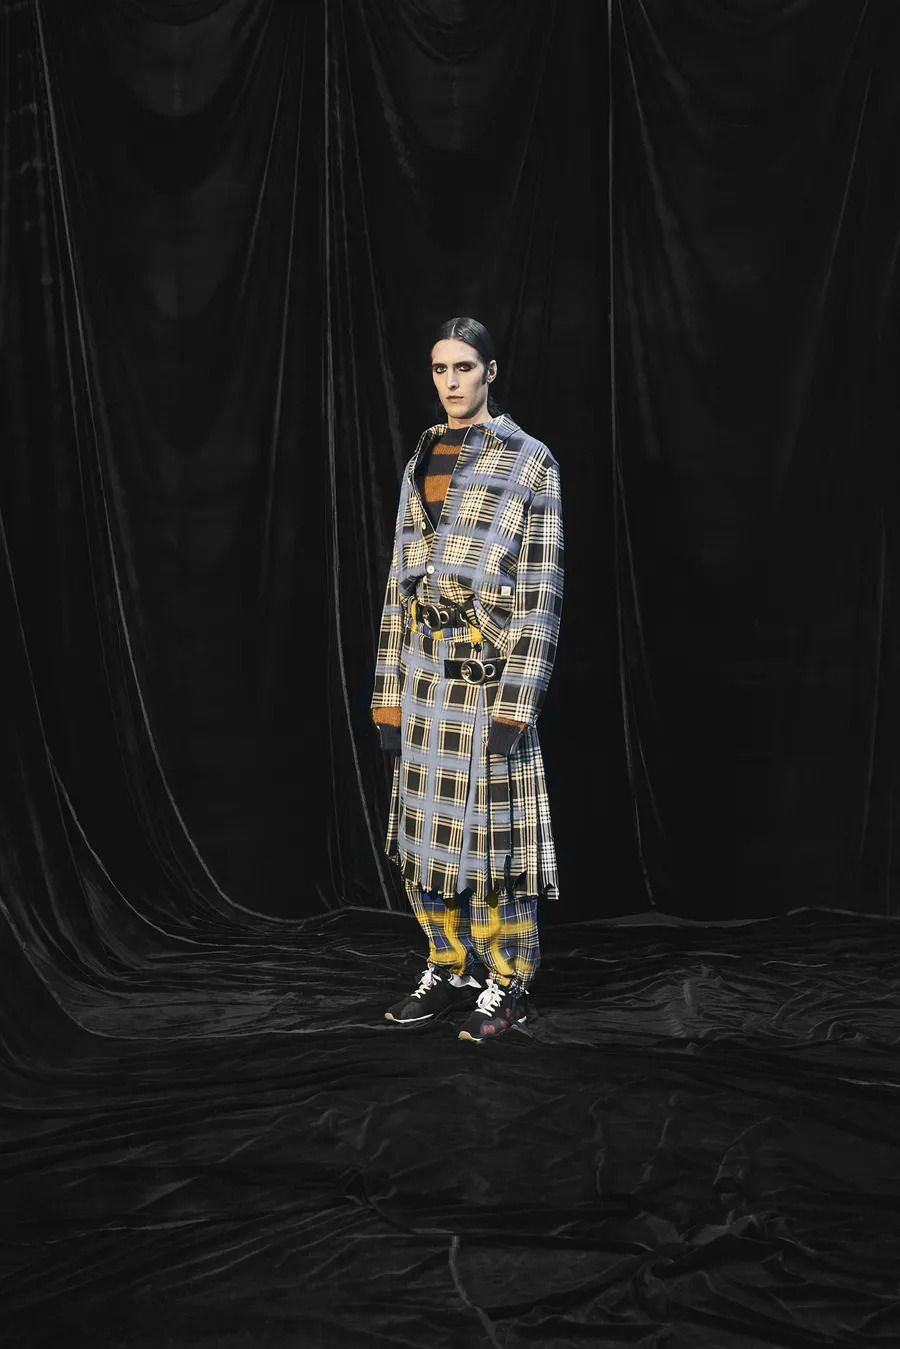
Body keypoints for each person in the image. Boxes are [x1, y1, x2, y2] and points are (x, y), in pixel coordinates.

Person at [371, 316, 563, 1042]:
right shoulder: (421, 455)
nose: (450, 382)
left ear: (490, 371)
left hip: (488, 683)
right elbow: (397, 585)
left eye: (463, 367)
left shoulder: (529, 461)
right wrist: (387, 697)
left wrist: (518, 704)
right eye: (439, 369)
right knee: (426, 838)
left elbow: (541, 592)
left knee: (493, 847)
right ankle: (449, 967)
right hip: (422, 680)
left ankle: (507, 985)